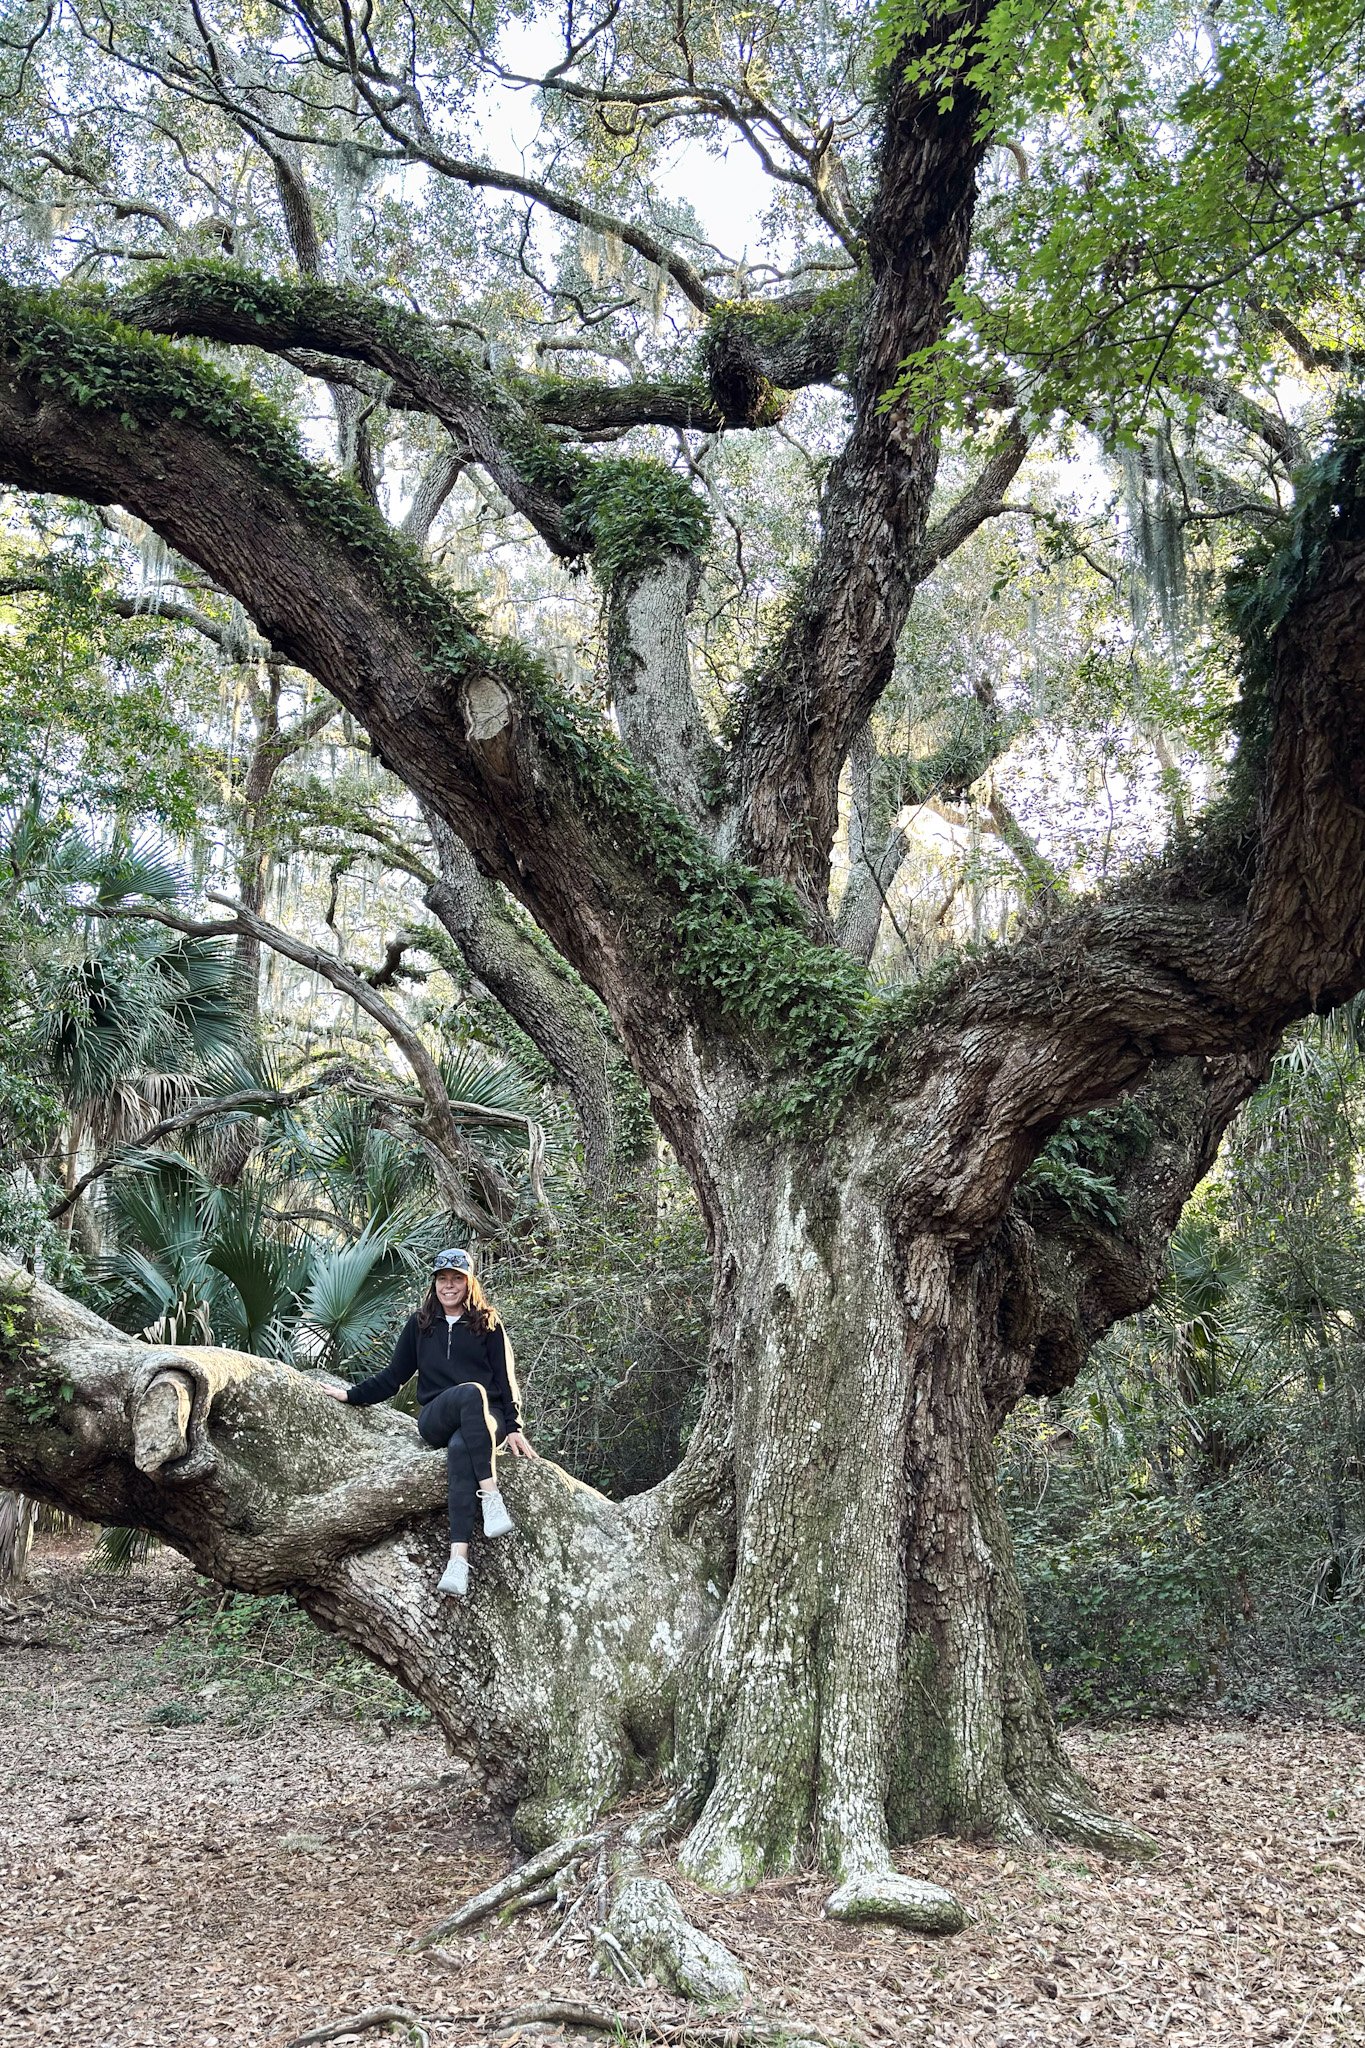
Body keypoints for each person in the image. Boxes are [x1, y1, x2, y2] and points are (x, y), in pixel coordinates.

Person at [322, 1248, 536, 1598]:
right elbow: (394, 1377)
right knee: (469, 1393)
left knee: (461, 1449)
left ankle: (457, 1560)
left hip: (487, 1419)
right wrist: (351, 1395)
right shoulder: (420, 1325)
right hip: (438, 1413)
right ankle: (491, 1495)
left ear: (469, 1283)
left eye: (456, 1278)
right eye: (442, 1279)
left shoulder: (488, 1323)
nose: (448, 1286)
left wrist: (513, 1426)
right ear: (434, 1284)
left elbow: (506, 1378)